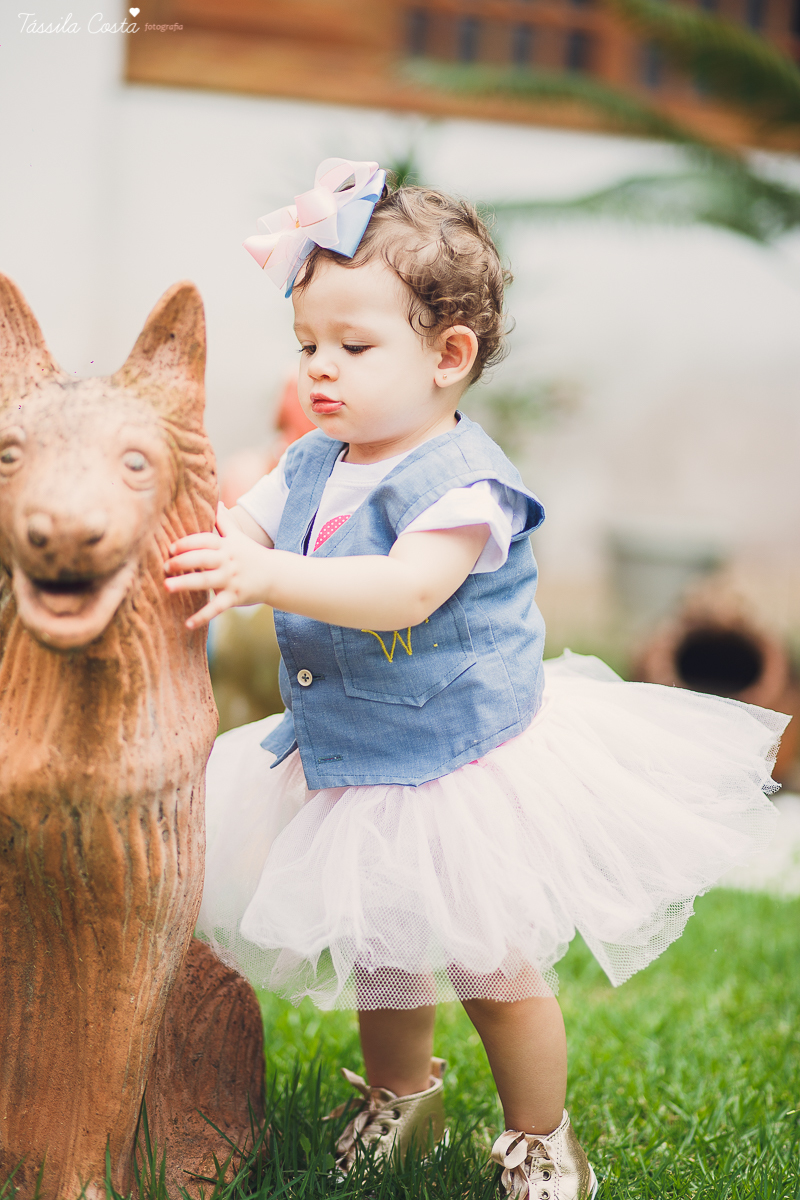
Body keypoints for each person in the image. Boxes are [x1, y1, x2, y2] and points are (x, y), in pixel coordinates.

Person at [164, 159, 786, 1200]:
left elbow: (405, 592)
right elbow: (245, 524)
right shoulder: (318, 457)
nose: (320, 368)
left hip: (462, 763)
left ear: (447, 356)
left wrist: (265, 575)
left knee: (491, 970)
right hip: (358, 755)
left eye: (352, 346)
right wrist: (210, 546)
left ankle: (541, 1136)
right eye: (306, 343)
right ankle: (399, 1099)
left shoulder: (466, 487)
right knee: (382, 951)